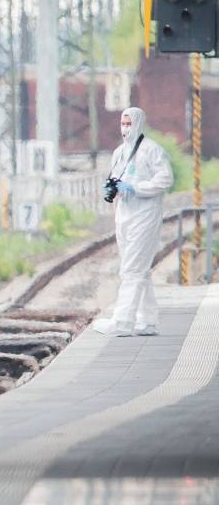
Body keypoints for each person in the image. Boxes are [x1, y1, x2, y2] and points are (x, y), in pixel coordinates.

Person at [95, 106, 174, 337]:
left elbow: (165, 178)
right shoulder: (119, 152)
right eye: (123, 123)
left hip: (145, 214)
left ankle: (122, 321)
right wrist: (111, 188)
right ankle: (148, 320)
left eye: (129, 124)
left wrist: (137, 188)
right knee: (140, 270)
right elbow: (116, 177)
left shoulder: (152, 150)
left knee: (131, 269)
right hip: (125, 214)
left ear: (139, 123)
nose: (125, 128)